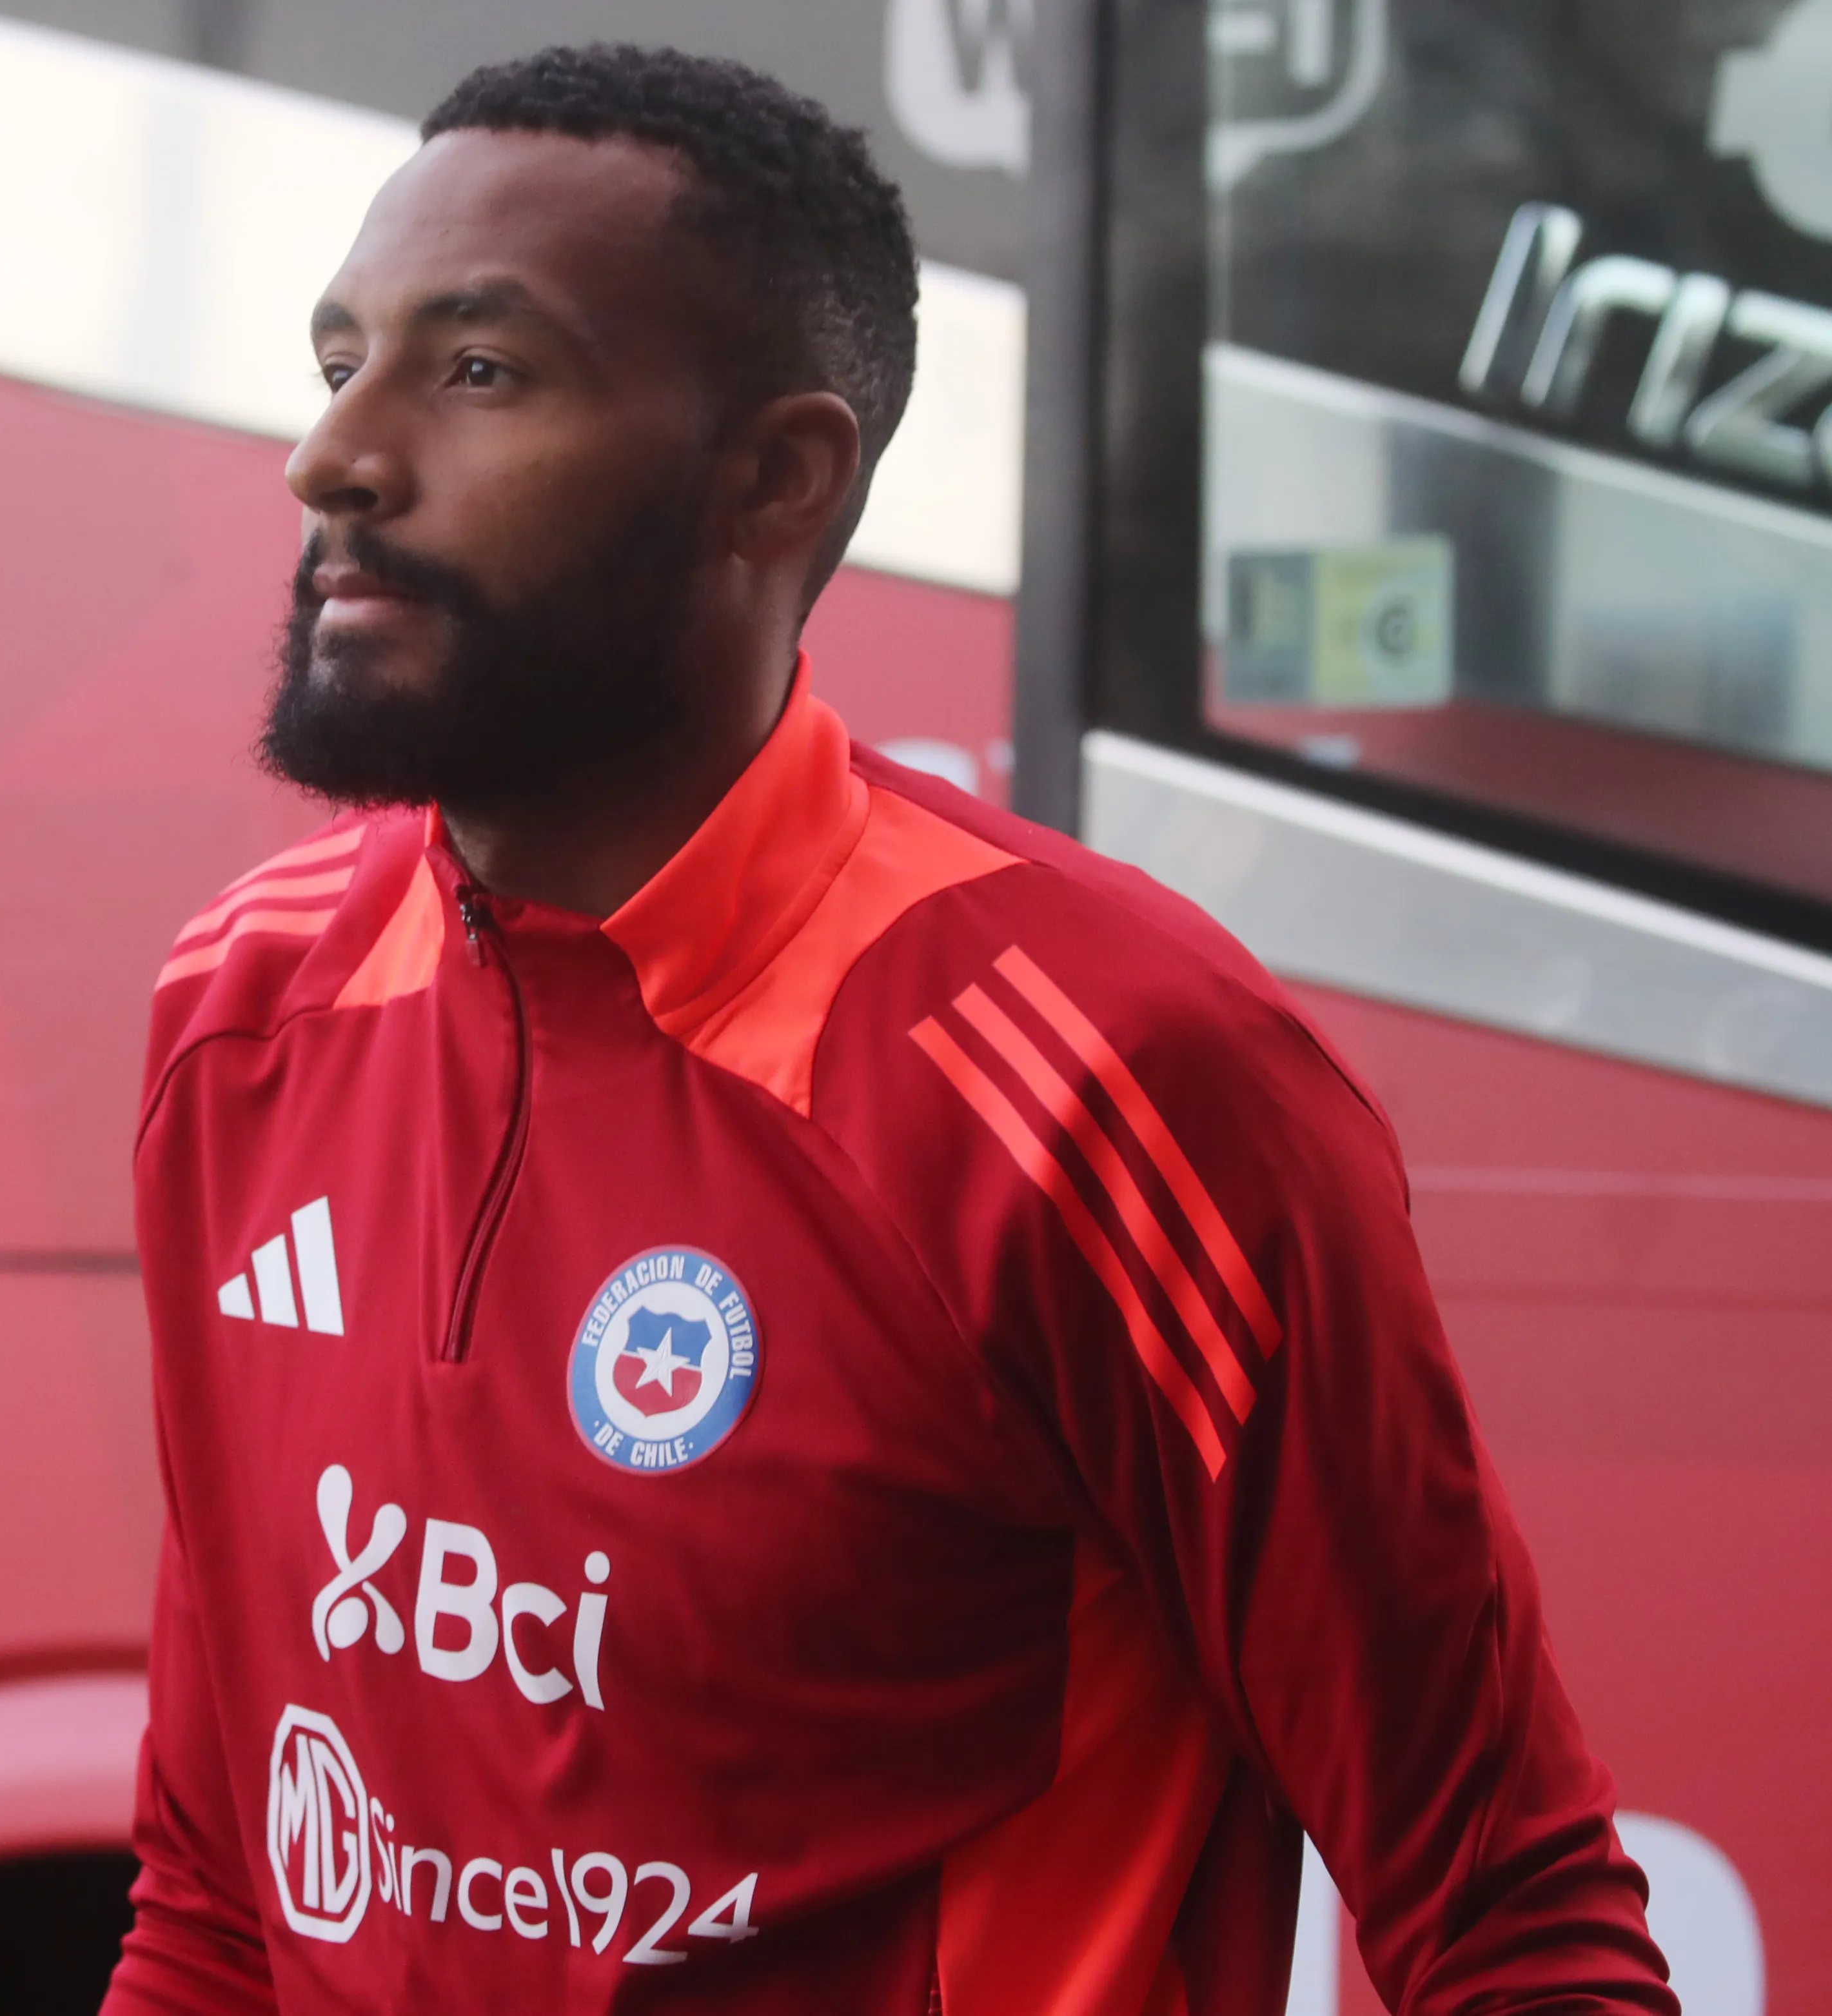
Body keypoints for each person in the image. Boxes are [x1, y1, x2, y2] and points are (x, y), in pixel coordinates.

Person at [103, 42, 1674, 2016]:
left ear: (778, 477)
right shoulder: (245, 1007)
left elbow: (1514, 1921)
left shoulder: (1105, 1071)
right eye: (341, 359)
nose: (335, 456)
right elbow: (219, 1900)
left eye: (480, 371)